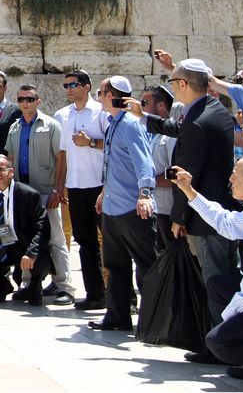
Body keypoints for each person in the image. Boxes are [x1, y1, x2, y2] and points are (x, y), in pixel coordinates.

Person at [141, 59, 240, 325]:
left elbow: (187, 175)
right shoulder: (215, 110)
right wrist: (146, 118)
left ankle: (220, 344)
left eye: (173, 83)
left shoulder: (196, 121)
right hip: (225, 211)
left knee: (214, 281)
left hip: (205, 218)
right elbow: (182, 130)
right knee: (231, 276)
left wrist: (178, 218)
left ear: (182, 84)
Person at [171, 159, 243, 382]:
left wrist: (231, 317)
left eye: (235, 174)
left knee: (219, 343)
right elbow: (225, 222)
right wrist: (190, 191)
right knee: (218, 285)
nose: (230, 178)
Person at [88, 76, 158, 333]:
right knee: (115, 265)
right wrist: (104, 192)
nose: (99, 95)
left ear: (111, 96)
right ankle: (117, 316)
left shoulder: (130, 125)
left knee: (146, 265)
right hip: (112, 207)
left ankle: (152, 321)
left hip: (131, 207)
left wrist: (145, 194)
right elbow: (113, 162)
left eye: (101, 91)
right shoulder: (112, 123)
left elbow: (144, 162)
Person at [3, 84, 73, 304]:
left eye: (30, 99)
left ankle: (64, 286)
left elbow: (61, 158)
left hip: (45, 191)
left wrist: (58, 188)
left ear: (38, 101)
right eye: (21, 99)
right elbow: (10, 158)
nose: (25, 103)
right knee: (24, 237)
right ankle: (27, 282)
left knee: (55, 238)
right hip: (23, 192)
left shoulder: (51, 125)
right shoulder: (14, 127)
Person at [52, 69, 110, 311]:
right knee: (85, 242)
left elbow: (114, 144)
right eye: (66, 85)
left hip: (99, 185)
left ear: (87, 86)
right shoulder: (63, 115)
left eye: (73, 84)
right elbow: (63, 153)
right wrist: (60, 184)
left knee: (111, 241)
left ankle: (123, 296)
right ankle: (95, 294)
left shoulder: (101, 112)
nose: (69, 89)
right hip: (75, 186)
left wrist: (91, 142)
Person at [0, 155, 51, 306]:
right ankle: (2, 287)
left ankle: (34, 287)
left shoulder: (28, 194)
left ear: (11, 172)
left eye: (1, 169)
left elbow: (42, 229)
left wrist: (31, 253)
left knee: (42, 256)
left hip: (21, 245)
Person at [141, 85, 182, 249]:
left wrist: (149, 181)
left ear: (160, 105)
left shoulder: (171, 135)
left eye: (145, 102)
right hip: (155, 207)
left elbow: (176, 173)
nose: (141, 107)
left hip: (168, 209)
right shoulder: (151, 133)